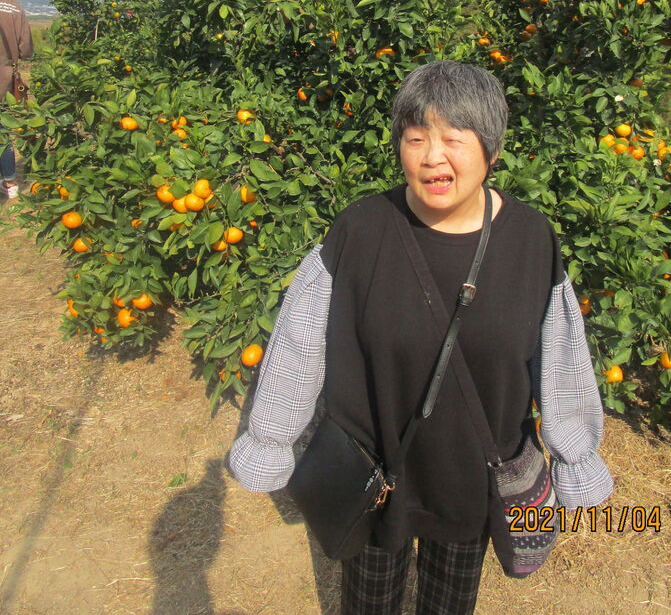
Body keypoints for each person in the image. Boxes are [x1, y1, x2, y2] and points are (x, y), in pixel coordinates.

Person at [230, 60, 613, 615]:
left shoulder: (531, 241)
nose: (433, 157)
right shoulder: (360, 231)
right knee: (370, 602)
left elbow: (562, 360)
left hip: (472, 477)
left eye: (453, 139)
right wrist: (270, 440)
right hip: (373, 471)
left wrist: (575, 454)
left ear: (491, 149)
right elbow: (298, 345)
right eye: (416, 139)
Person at [0, 0, 33, 199]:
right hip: (4, 80)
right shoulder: (14, 7)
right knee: (3, 130)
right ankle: (10, 182)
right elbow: (27, 50)